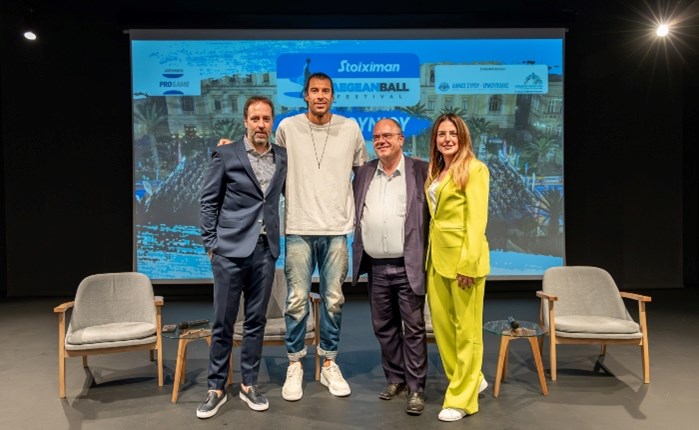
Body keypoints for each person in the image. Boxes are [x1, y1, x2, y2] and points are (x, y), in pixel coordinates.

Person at [275, 72, 368, 401]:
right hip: (298, 227)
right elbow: (275, 172)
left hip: (336, 230)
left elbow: (361, 173)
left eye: (326, 91)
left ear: (333, 96)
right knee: (297, 300)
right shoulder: (287, 128)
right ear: (305, 95)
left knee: (333, 300)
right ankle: (295, 364)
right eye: (314, 90)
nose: (320, 96)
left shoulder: (350, 128)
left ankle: (328, 362)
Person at [198, 96, 287, 419]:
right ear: (245, 122)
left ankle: (249, 384)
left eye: (266, 119)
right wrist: (211, 245)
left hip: (265, 251)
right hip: (229, 251)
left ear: (272, 122)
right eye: (255, 119)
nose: (261, 124)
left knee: (255, 322)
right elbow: (209, 201)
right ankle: (216, 388)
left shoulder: (282, 156)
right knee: (223, 321)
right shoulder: (226, 154)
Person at [351, 118, 429, 415]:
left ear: (401, 139)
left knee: (413, 328)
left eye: (387, 136)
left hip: (408, 265)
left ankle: (416, 387)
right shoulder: (364, 172)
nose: (381, 141)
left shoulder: (420, 170)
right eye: (376, 137)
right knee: (384, 328)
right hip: (376, 267)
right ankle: (396, 379)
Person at [424, 113, 490, 422]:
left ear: (463, 137)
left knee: (467, 332)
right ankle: (470, 380)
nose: (447, 139)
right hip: (436, 261)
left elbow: (476, 222)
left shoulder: (475, 169)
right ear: (435, 140)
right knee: (443, 329)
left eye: (453, 133)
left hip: (465, 262)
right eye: (441, 134)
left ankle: (462, 399)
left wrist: (468, 263)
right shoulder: (436, 171)